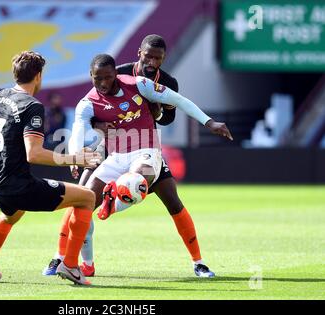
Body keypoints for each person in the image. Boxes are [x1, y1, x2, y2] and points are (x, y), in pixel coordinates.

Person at [42, 53, 232, 277]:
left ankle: (198, 263)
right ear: (90, 76)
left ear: (116, 74)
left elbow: (178, 101)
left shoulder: (140, 84)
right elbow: (77, 131)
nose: (102, 83)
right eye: (97, 78)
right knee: (81, 202)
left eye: (107, 77)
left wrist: (209, 122)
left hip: (147, 152)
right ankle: (81, 263)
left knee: (149, 188)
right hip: (115, 156)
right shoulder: (87, 103)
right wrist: (74, 156)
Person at [0, 51, 102, 286]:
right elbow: (33, 153)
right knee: (86, 197)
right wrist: (75, 158)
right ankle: (71, 265)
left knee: (11, 214)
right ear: (38, 76)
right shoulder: (32, 106)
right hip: (18, 186)